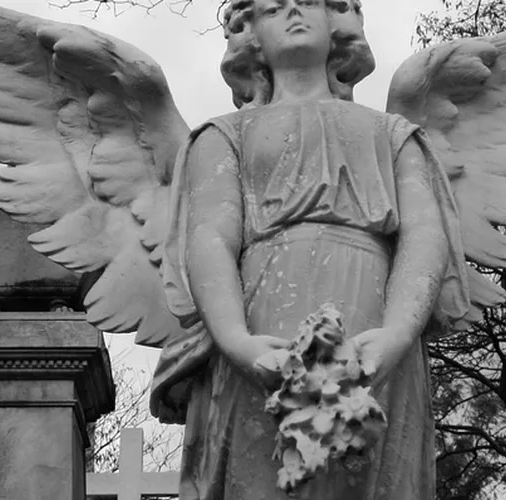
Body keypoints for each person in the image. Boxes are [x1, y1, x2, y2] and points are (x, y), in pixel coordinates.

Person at [154, 0, 474, 498]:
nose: (294, 13)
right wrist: (237, 342)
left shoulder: (391, 133)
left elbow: (425, 234)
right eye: (274, 7)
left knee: (373, 478)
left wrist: (397, 333)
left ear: (337, 22)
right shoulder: (223, 136)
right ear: (251, 32)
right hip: (261, 332)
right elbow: (210, 240)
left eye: (308, 3)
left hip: (375, 335)